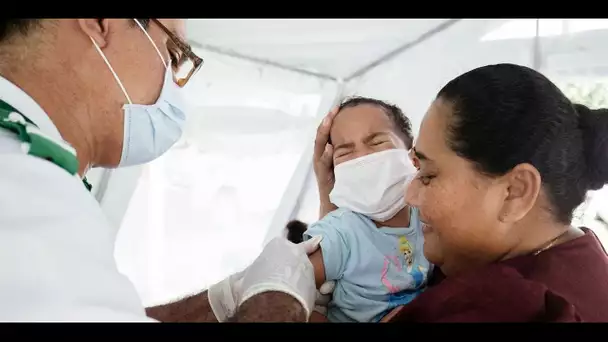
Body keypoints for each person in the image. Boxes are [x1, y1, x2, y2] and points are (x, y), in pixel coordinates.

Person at [0, 18, 325, 322]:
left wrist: (222, 301)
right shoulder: (24, 190)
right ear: (100, 23)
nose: (175, 86)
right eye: (173, 53)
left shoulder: (31, 174)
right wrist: (278, 298)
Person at [315, 63, 608, 322]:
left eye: (428, 176)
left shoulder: (504, 305)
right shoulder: (576, 254)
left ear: (515, 191)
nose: (410, 194)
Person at [303, 97, 432, 323]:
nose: (362, 157)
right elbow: (285, 288)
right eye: (345, 153)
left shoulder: (429, 218)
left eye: (377, 143)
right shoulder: (341, 231)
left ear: (411, 153)